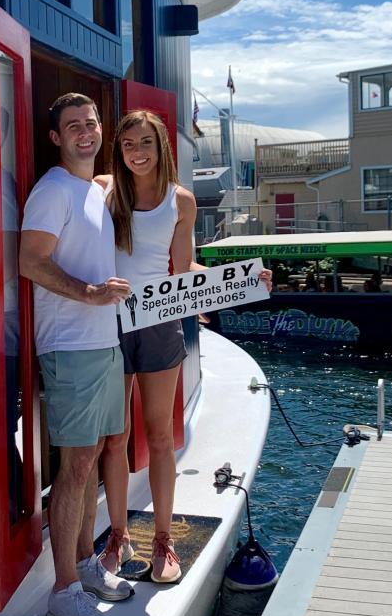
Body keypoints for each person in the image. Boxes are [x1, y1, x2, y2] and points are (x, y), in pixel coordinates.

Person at [96, 109, 269, 584]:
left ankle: (165, 540)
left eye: (145, 143)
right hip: (107, 322)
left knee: (158, 437)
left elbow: (183, 266)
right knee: (114, 436)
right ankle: (117, 534)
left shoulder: (182, 201)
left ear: (162, 147)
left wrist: (243, 281)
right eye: (128, 143)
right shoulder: (104, 189)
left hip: (160, 322)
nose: (137, 152)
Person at [18, 93, 133, 616]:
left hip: (102, 341)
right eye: (73, 126)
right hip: (70, 344)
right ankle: (64, 591)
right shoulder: (51, 190)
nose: (86, 131)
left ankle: (86, 564)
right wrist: (88, 293)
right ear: (55, 138)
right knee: (76, 465)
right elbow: (29, 261)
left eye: (91, 123)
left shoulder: (93, 188)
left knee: (89, 459)